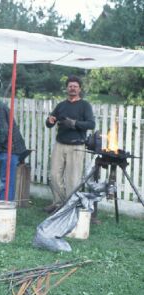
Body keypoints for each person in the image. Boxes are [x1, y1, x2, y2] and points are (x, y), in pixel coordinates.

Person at [45, 75, 96, 214]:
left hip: (77, 146)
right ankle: (59, 203)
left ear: (79, 89)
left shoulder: (85, 105)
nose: (72, 88)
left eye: (75, 86)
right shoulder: (61, 105)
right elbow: (49, 123)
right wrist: (50, 120)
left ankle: (69, 206)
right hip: (60, 144)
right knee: (54, 176)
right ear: (67, 88)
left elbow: (91, 124)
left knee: (72, 179)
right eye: (70, 86)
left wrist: (74, 123)